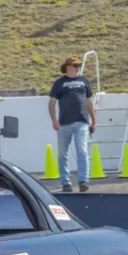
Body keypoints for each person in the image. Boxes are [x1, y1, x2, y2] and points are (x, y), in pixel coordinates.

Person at [48, 55, 96, 192]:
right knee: (63, 153)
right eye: (75, 66)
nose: (77, 68)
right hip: (64, 123)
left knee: (82, 150)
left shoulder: (84, 81)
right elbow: (52, 102)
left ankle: (83, 180)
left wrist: (94, 120)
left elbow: (89, 102)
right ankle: (65, 182)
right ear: (68, 67)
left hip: (81, 121)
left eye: (79, 66)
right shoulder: (59, 83)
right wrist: (54, 120)